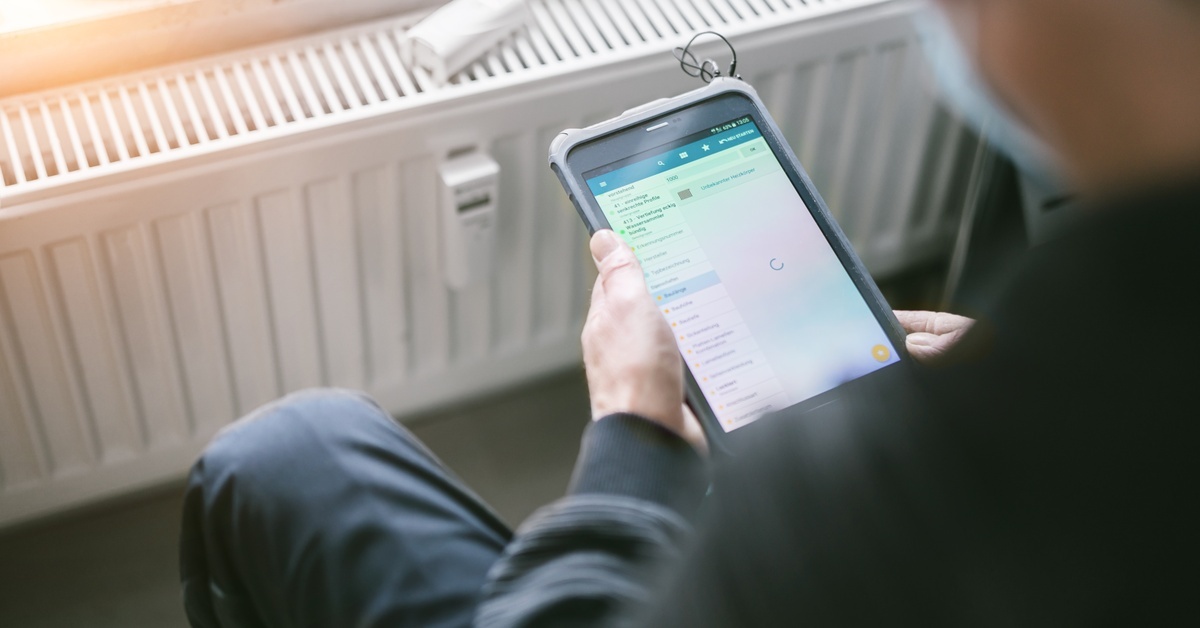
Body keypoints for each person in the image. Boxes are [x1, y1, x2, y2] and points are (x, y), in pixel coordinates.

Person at [180, 0, 1200, 625]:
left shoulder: (870, 499)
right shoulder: (1100, 389)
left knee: (277, 454)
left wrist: (632, 438)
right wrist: (1024, 375)